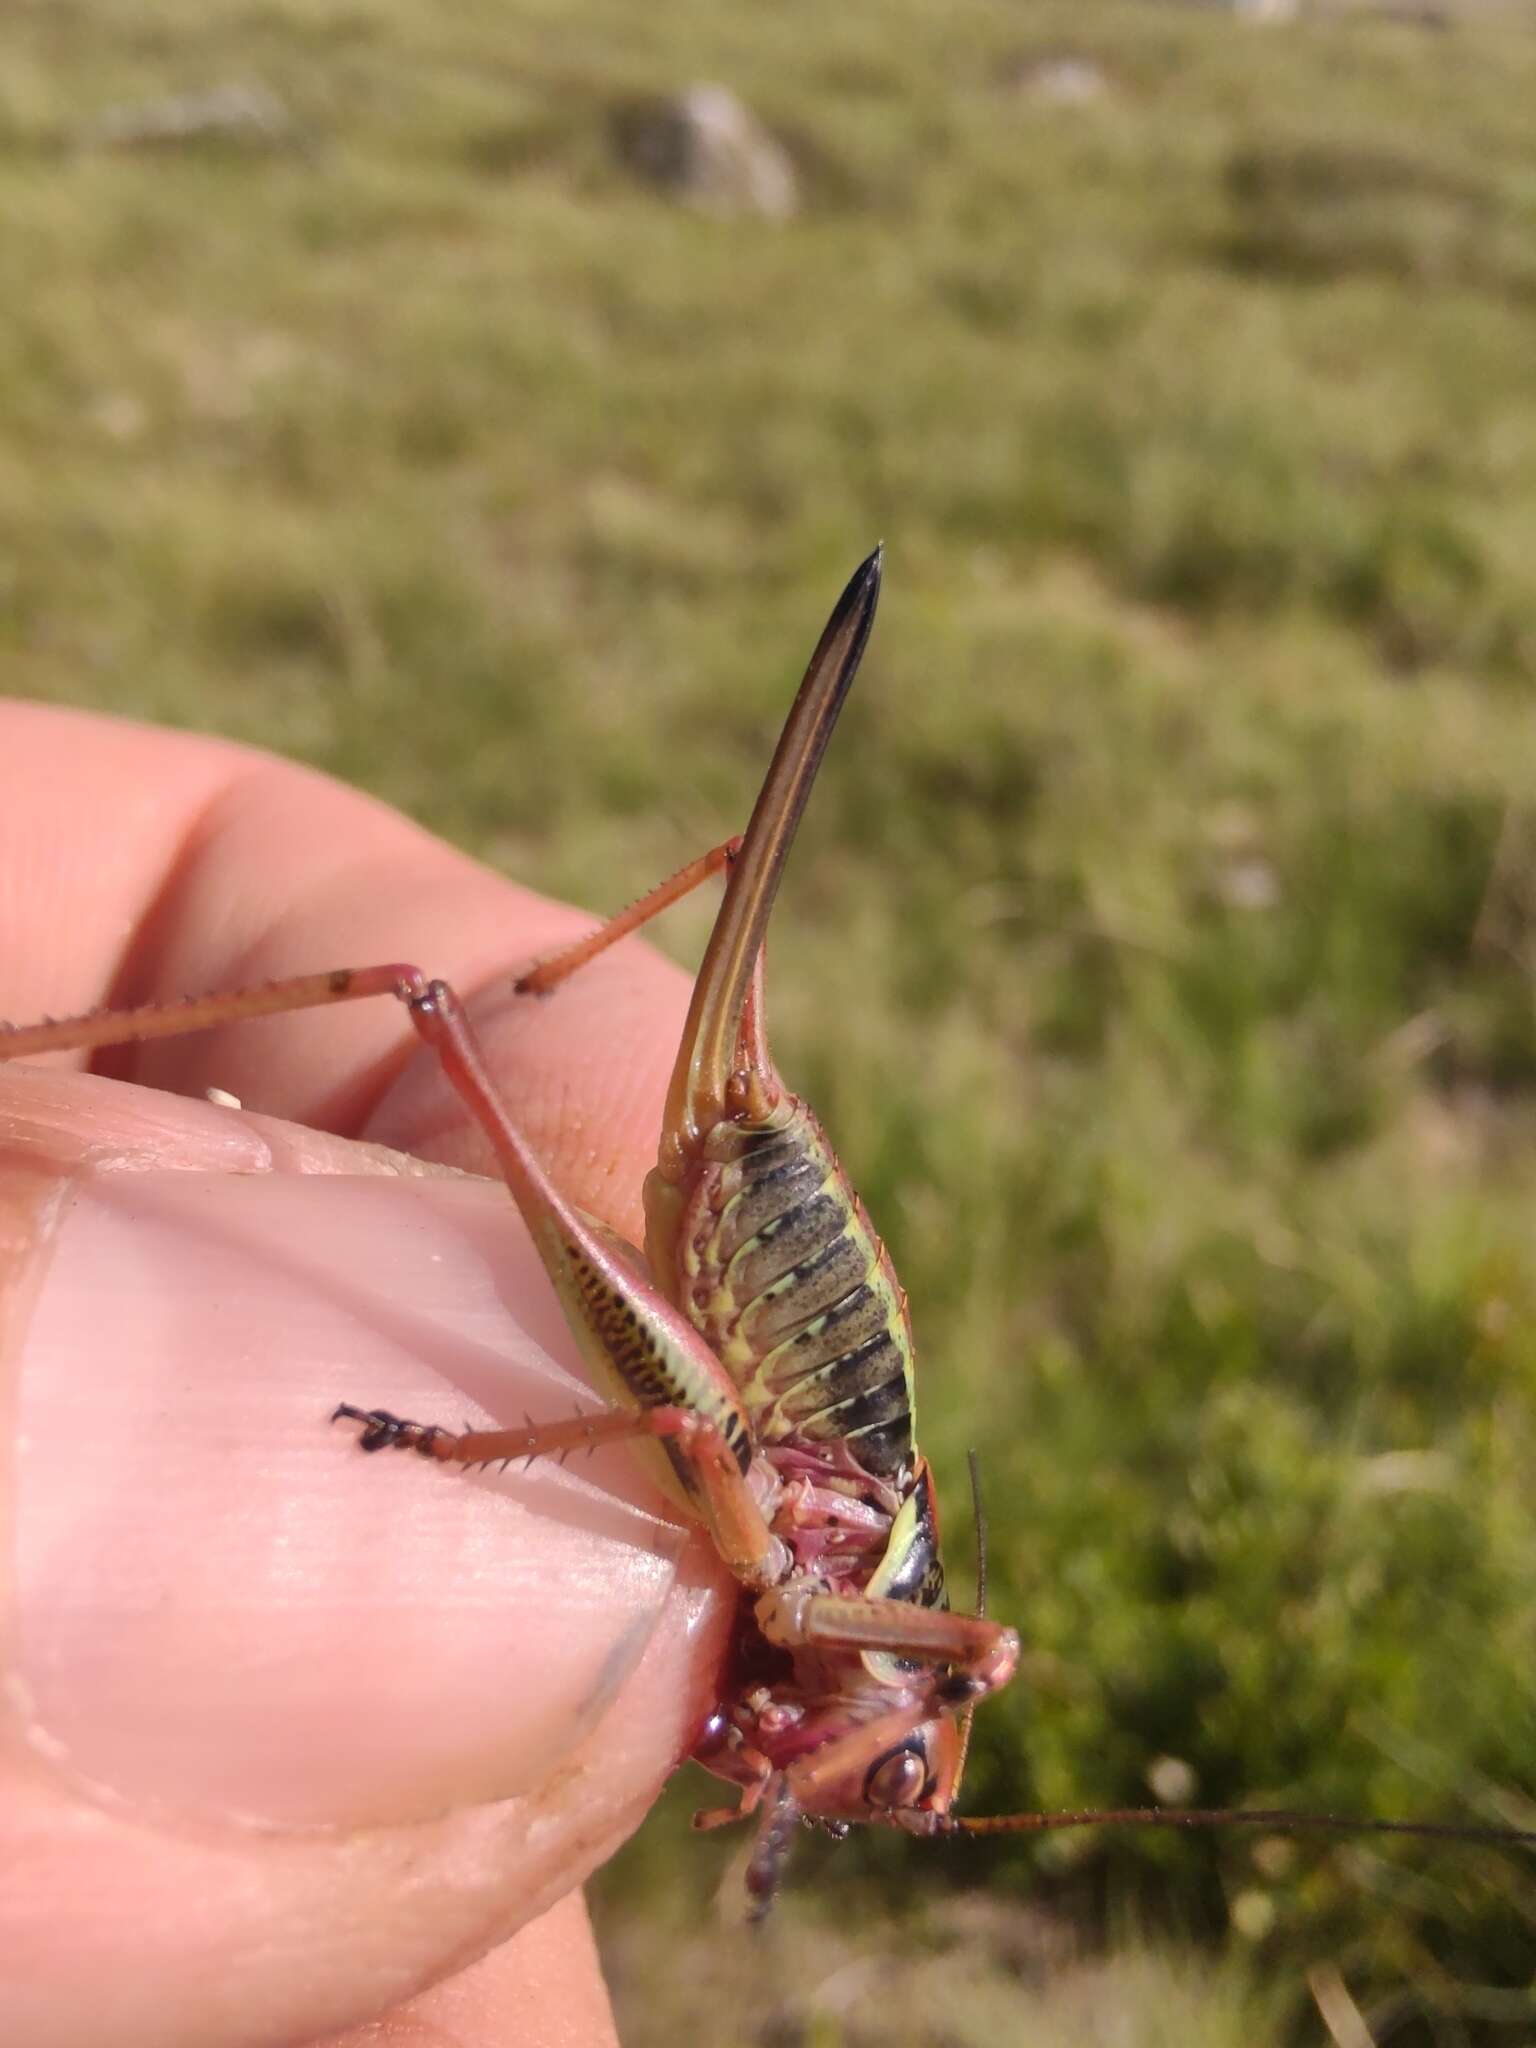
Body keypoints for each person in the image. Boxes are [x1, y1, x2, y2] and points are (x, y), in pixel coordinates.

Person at [0, 701, 733, 2047]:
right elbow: (693, 1437)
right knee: (423, 999)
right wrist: (445, 1452)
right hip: (752, 1300)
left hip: (741, 1401)